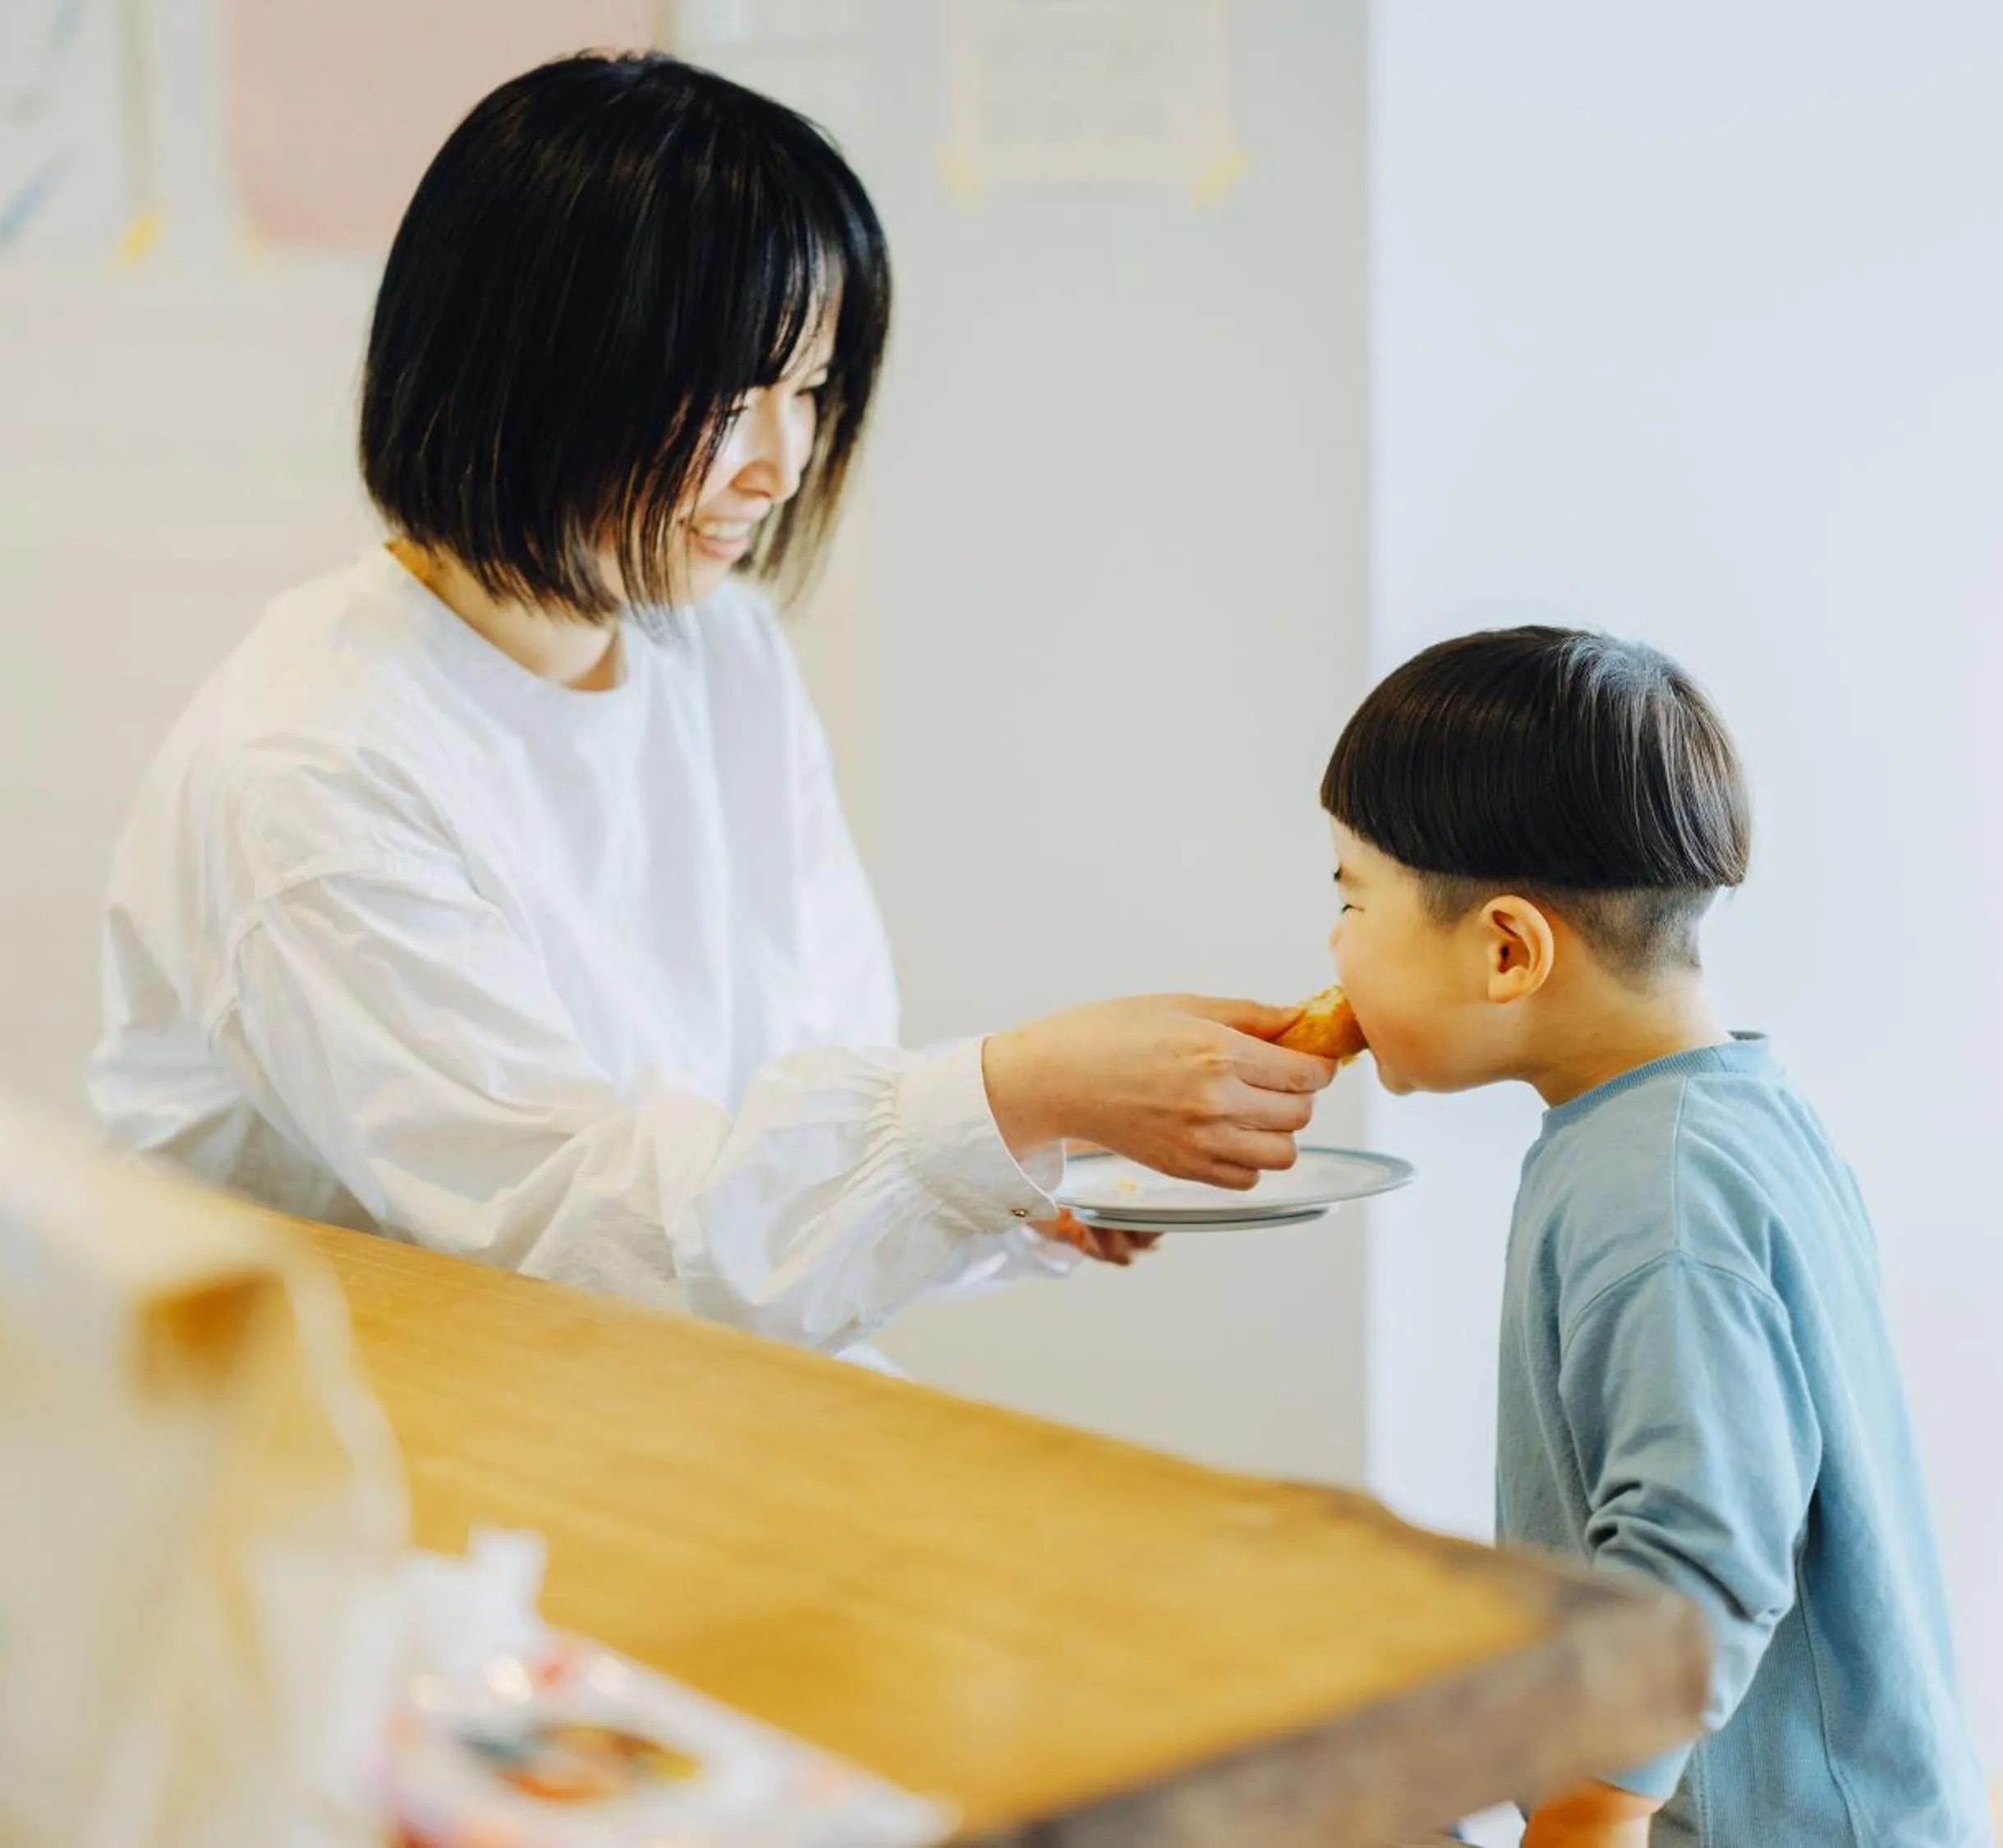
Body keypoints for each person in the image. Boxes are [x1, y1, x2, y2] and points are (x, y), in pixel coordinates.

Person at [90, 53, 1335, 1356]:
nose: (783, 463)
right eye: (732, 395)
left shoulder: (717, 649)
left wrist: (1009, 1163)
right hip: (381, 1430)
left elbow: (797, 1084)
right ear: (537, 367)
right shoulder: (314, 766)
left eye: (808, 389)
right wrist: (1008, 1095)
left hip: (668, 1396)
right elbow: (570, 1237)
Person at [1318, 629, 1991, 1847]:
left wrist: (1583, 1818)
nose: (1335, 946)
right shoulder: (1726, 1118)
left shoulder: (1656, 1193)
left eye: (1350, 897)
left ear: (1507, 949)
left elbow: (1699, 1552)